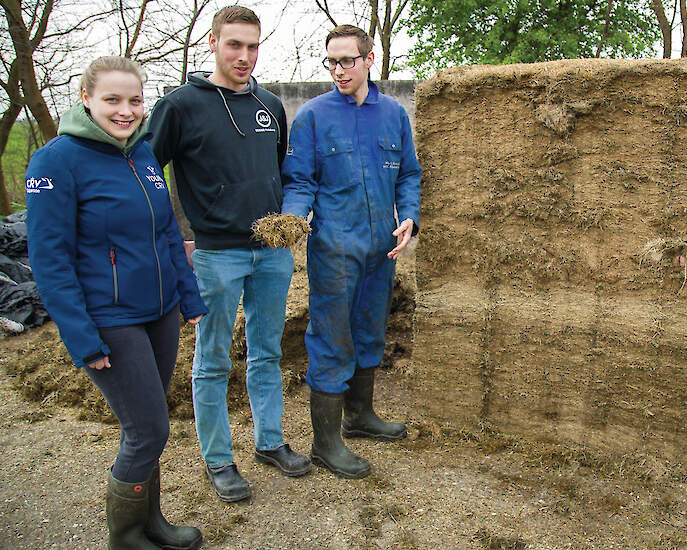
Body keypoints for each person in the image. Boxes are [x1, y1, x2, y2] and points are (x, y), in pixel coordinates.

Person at [26, 56, 208, 550]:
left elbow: (167, 231)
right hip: (109, 320)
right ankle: (125, 536)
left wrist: (187, 296)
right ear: (86, 99)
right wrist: (82, 337)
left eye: (134, 100)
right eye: (112, 100)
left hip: (160, 312)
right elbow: (50, 262)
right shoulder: (56, 161)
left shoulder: (142, 154)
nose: (125, 111)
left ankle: (152, 522)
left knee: (153, 424)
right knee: (147, 429)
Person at [148, 5, 311, 503]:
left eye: (253, 46)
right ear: (214, 43)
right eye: (234, 44)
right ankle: (218, 459)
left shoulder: (269, 104)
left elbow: (279, 171)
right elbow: (148, 175)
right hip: (216, 255)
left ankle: (269, 442)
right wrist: (175, 238)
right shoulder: (179, 105)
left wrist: (290, 216)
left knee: (267, 351)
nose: (244, 56)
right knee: (213, 358)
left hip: (271, 252)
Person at [280, 24, 421, 479]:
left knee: (369, 331)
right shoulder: (313, 117)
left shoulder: (394, 114)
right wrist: (294, 217)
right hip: (334, 248)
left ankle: (360, 416)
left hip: (381, 247)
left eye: (346, 61)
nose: (338, 70)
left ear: (369, 60)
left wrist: (410, 217)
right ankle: (325, 442)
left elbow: (408, 174)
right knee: (332, 338)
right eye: (331, 62)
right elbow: (299, 180)